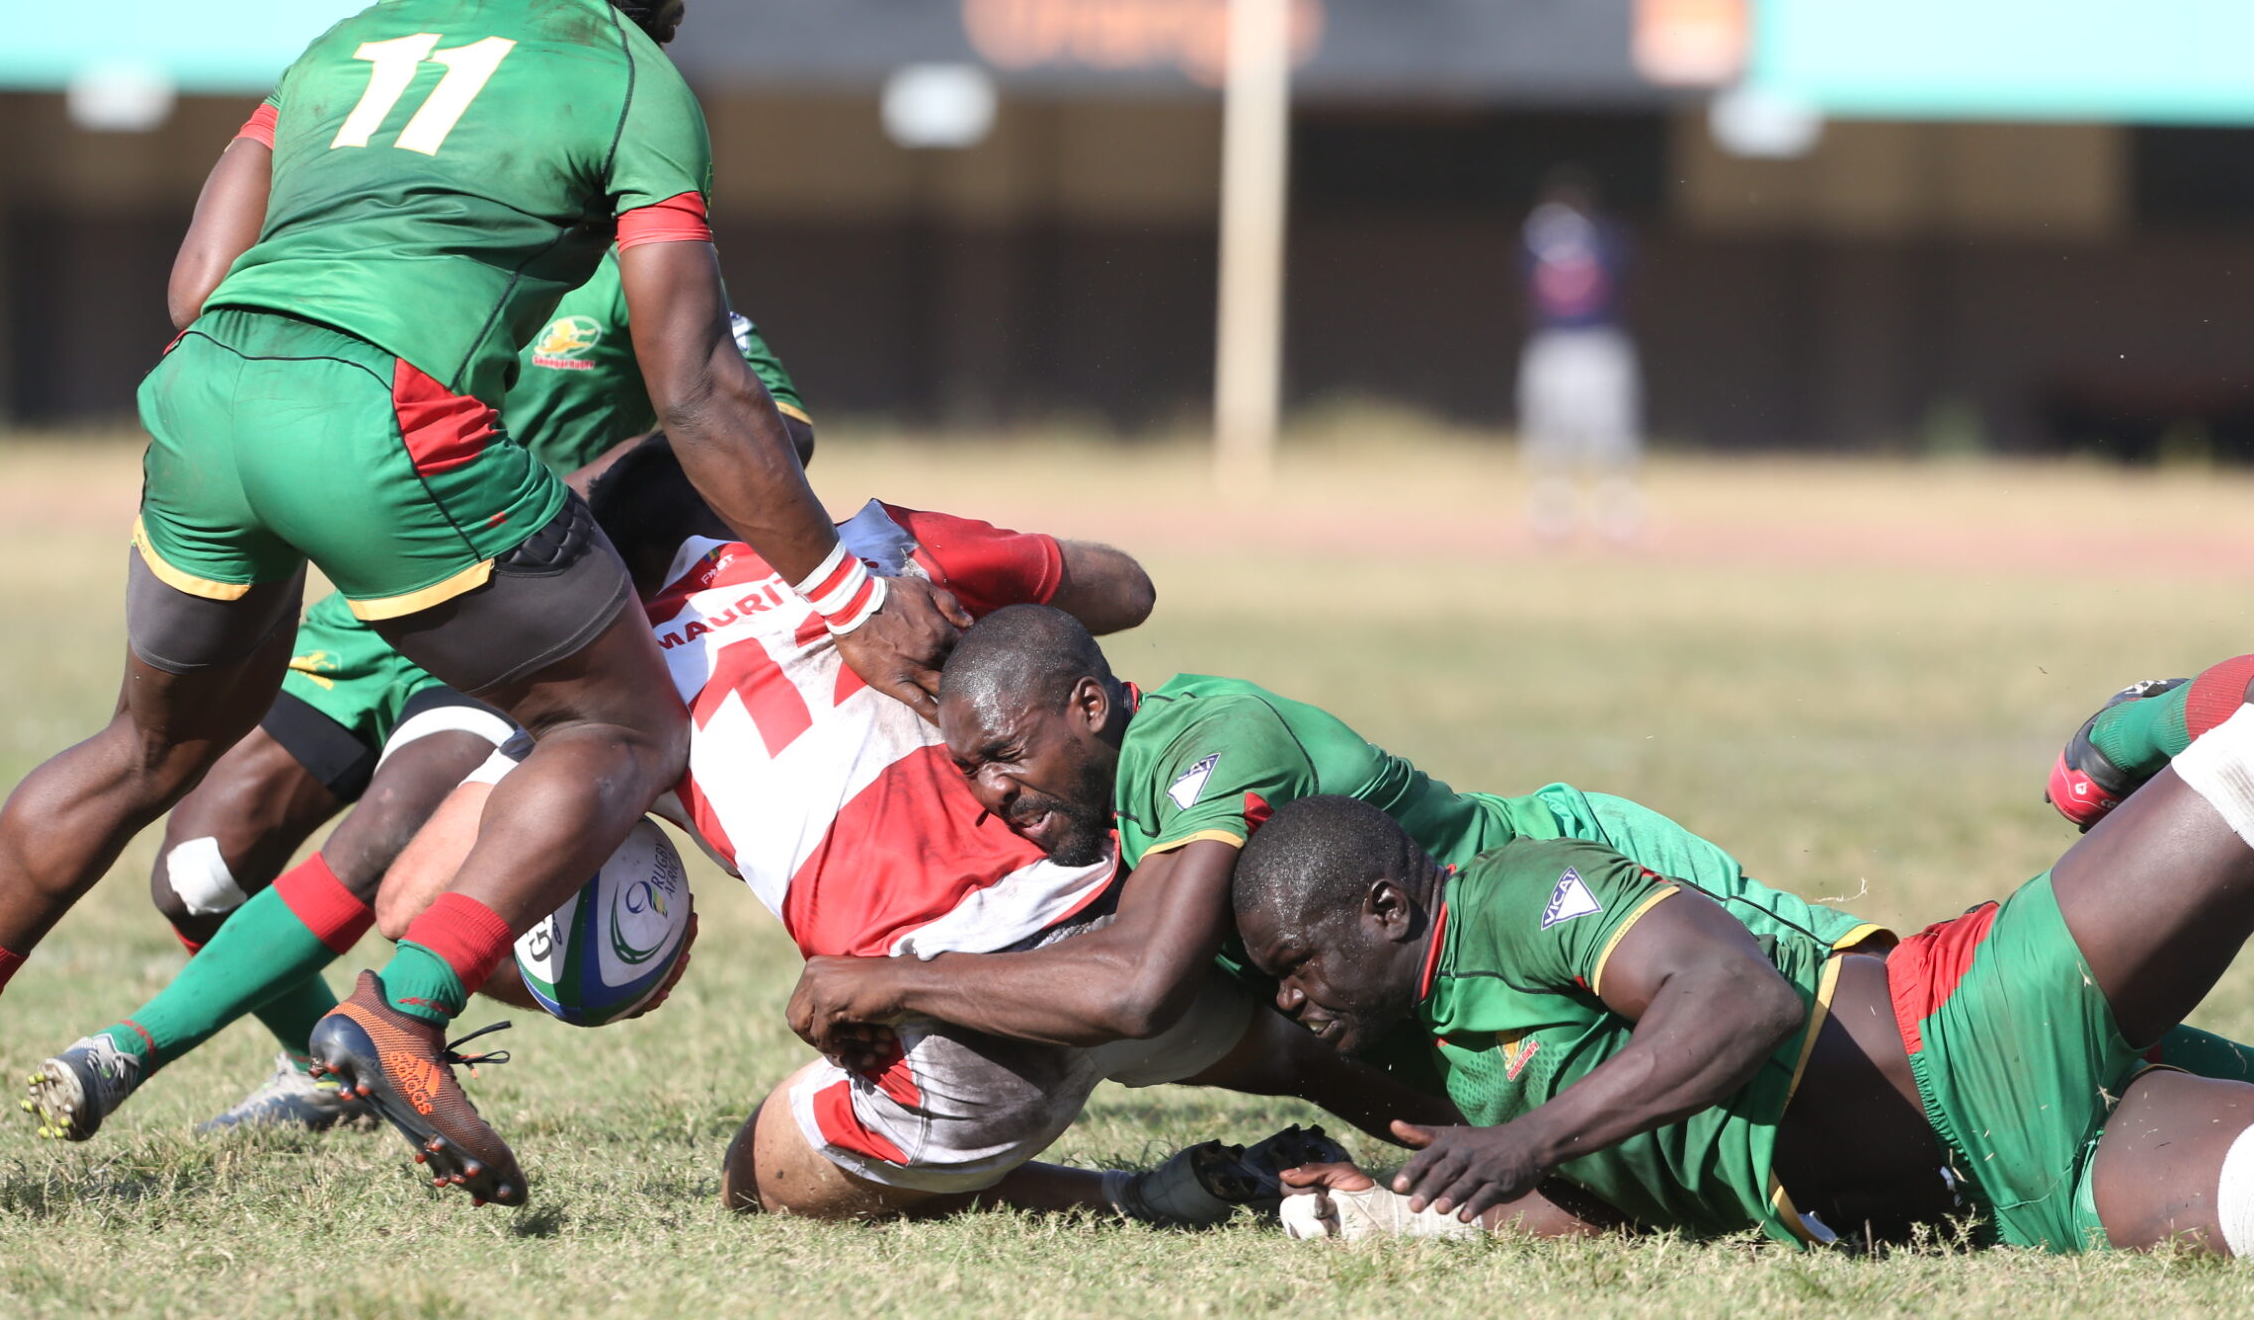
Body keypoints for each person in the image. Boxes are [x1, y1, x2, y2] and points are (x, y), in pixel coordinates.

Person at [0, 0, 955, 1206]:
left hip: (209, 388)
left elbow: (191, 284)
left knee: (142, 747)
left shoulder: (359, 33)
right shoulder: (629, 76)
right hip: (380, 422)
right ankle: (401, 1005)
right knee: (621, 718)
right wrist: (843, 596)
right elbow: (705, 391)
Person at [376, 442, 1527, 1229]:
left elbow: (410, 903)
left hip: (961, 1041)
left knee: (755, 1178)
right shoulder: (879, 548)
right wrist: (947, 568)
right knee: (1297, 1050)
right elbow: (1124, 589)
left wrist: (604, 969)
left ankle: (1131, 1200)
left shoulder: (607, 686)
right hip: (1133, 926)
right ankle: (1533, 1155)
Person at [20, 249, 815, 1139]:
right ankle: (320, 1073)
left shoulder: (636, 258)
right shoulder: (396, 242)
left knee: (387, 840)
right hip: (374, 607)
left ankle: (129, 1049)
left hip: (528, 606)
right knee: (196, 874)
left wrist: (581, 498)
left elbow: (777, 428)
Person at [781, 608, 1882, 1099]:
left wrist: (895, 980)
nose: (990, 795)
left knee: (1887, 1027)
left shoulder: (1203, 744)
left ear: (1088, 703)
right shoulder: (1127, 814)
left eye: (1004, 757)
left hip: (1573, 889)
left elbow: (1135, 989)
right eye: (969, 770)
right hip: (1499, 1005)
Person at [1233, 745, 2254, 1255]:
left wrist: (1528, 1139)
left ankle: (2143, 724)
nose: (1289, 999)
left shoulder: (1511, 892)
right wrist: (1417, 1205)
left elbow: (1737, 1000)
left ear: (1384, 908)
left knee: (2241, 768)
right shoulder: (1458, 1058)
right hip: (2019, 1193)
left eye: (1293, 964)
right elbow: (1610, 1201)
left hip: (1974, 1020)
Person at [1516, 170, 1641, 541]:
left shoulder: (1607, 238)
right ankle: (1552, 515)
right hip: (1552, 344)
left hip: (1599, 342)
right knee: (1548, 434)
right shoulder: (1534, 239)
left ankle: (1618, 515)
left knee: (1611, 433)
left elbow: (1624, 281)